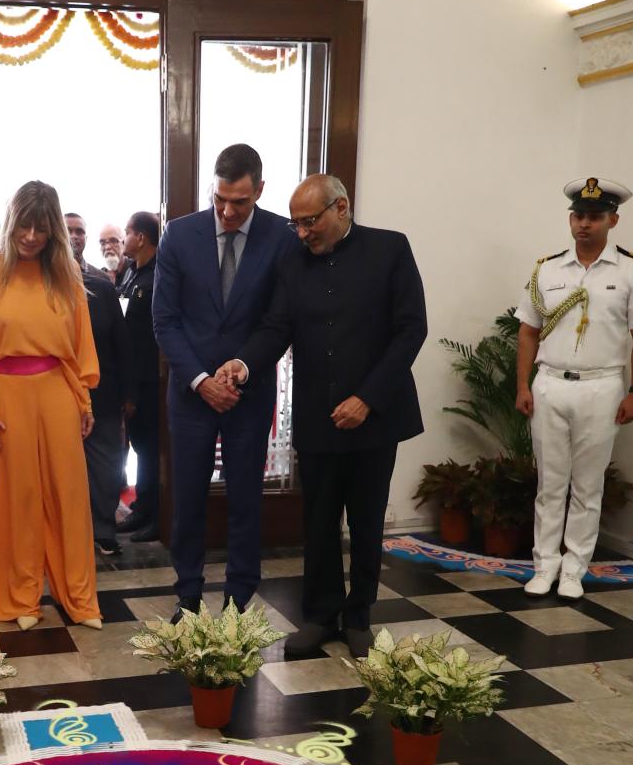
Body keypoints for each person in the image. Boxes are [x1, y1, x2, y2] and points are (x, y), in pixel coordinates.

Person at [217, 172, 427, 659]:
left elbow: (410, 330)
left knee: (368, 521)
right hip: (317, 415)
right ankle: (319, 615)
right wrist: (244, 363)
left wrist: (368, 398)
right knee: (318, 520)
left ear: (342, 208)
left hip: (375, 415)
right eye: (295, 224)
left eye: (309, 221)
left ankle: (359, 617)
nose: (302, 232)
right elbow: (276, 328)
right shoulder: (292, 261)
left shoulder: (390, 249)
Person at [152, 142, 296, 619]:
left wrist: (241, 368)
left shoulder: (281, 236)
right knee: (188, 498)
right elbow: (165, 321)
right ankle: (188, 595)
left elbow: (279, 321)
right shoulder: (179, 234)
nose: (228, 211)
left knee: (245, 499)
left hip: (248, 393)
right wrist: (199, 380)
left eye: (240, 202)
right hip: (191, 395)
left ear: (259, 190)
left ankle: (238, 597)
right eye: (220, 200)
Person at [0, 181, 103, 629]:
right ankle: (22, 597)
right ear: (11, 222)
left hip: (59, 392)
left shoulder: (66, 273)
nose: (30, 237)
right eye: (24, 226)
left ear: (54, 232)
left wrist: (84, 398)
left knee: (69, 495)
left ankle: (79, 598)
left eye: (41, 229)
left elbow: (81, 344)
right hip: (7, 395)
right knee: (18, 497)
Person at [515, 177, 633, 600]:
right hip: (550, 383)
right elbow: (528, 331)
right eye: (579, 216)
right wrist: (522, 385)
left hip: (601, 386)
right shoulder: (547, 269)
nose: (585, 224)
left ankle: (574, 568)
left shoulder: (631, 271)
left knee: (588, 485)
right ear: (571, 219)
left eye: (595, 217)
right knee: (550, 483)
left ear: (613, 219)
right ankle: (544, 564)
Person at [84, 272, 136, 556]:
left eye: (79, 231)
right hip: (55, 395)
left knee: (106, 465)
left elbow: (122, 343)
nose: (73, 238)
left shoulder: (101, 289)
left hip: (102, 393)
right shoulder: (39, 286)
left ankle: (104, 530)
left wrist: (129, 394)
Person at [117, 211, 161, 542]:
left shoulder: (159, 275)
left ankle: (156, 514)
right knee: (140, 445)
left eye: (128, 233)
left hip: (151, 377)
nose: (124, 239)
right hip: (131, 375)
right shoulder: (132, 273)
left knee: (151, 448)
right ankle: (142, 508)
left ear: (141, 237)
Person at [65, 213, 107, 279]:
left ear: (86, 239)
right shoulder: (46, 274)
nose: (74, 236)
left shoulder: (101, 277)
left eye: (79, 232)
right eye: (68, 231)